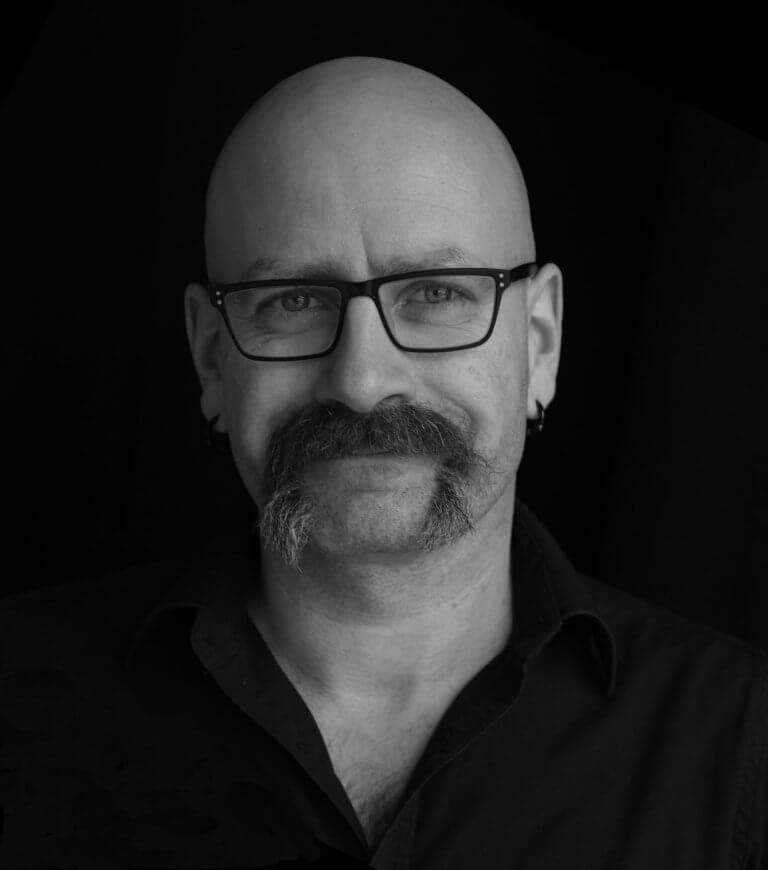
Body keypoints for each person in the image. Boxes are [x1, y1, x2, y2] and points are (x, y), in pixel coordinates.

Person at [0, 56, 765, 870]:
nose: (362, 383)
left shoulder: (744, 745)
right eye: (294, 300)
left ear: (539, 342)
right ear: (212, 358)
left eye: (435, 293)